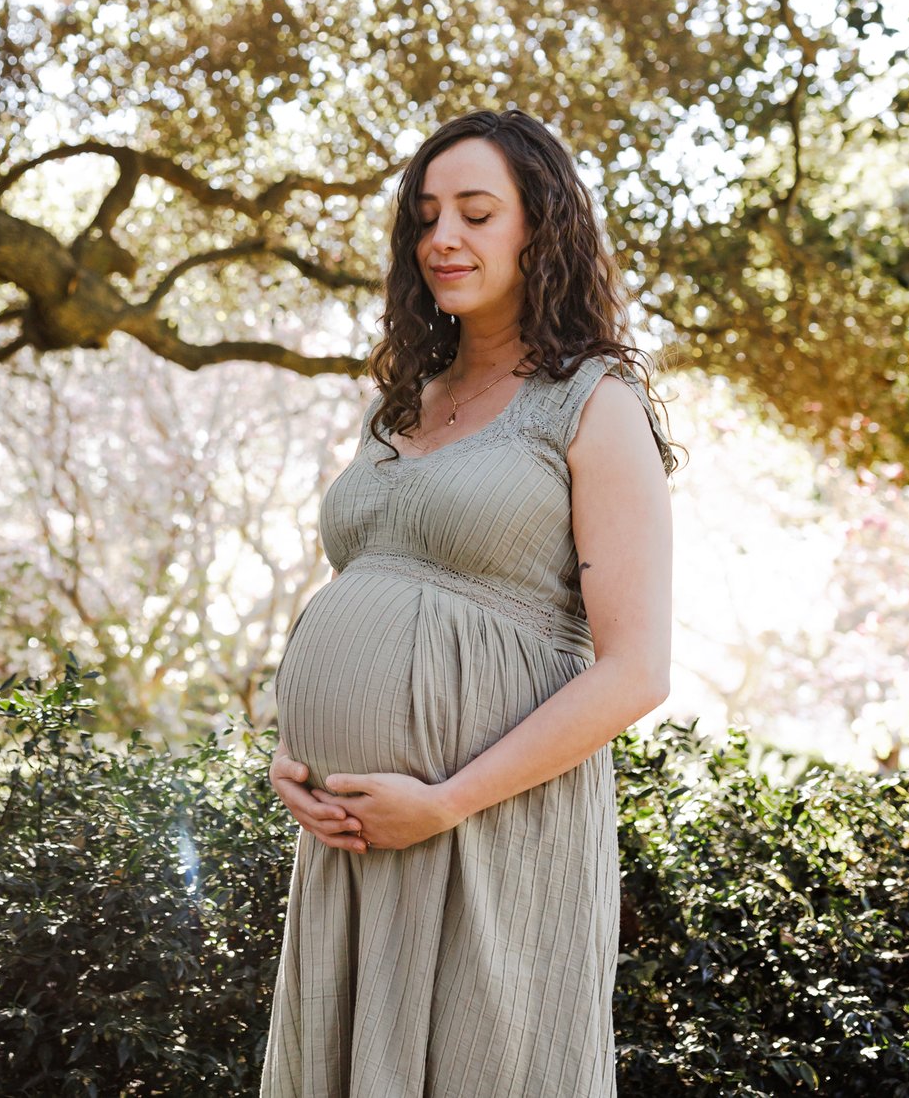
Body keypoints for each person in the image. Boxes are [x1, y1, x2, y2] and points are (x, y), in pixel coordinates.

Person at [258, 108, 678, 1098]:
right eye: (426, 215)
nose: (442, 237)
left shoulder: (590, 404)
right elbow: (366, 584)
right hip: (356, 838)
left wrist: (441, 802)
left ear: (541, 228)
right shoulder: (400, 404)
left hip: (487, 830)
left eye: (477, 213)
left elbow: (635, 672)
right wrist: (297, 757)